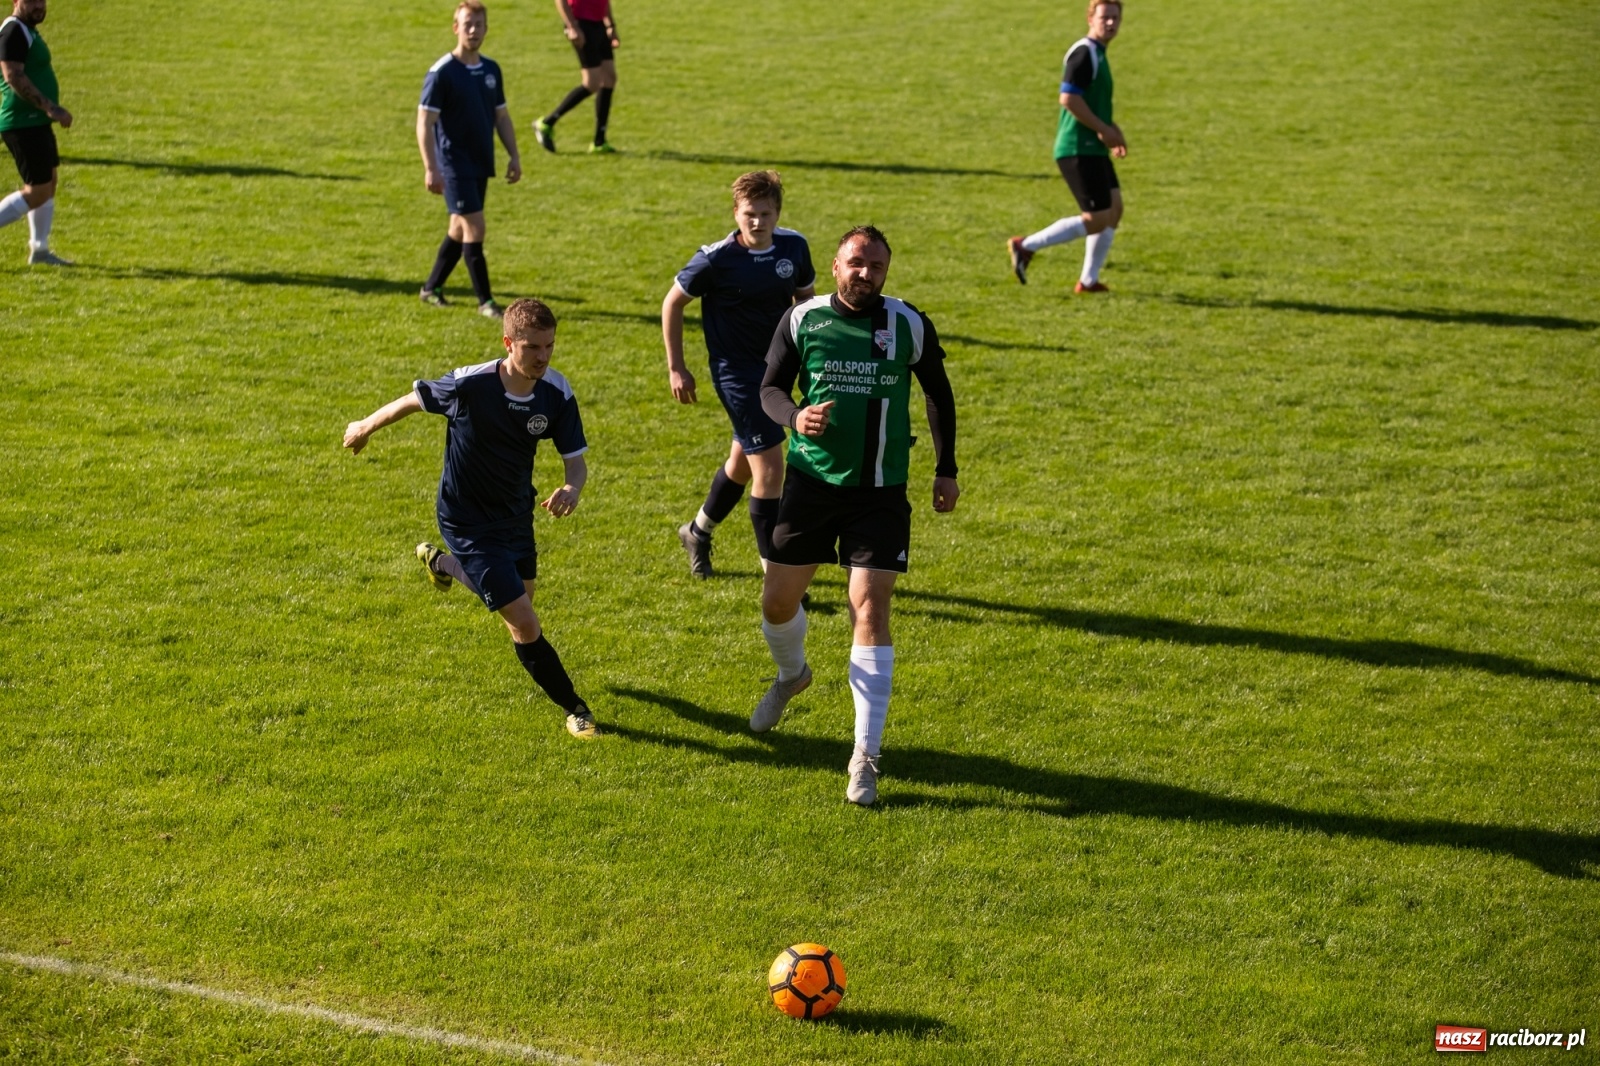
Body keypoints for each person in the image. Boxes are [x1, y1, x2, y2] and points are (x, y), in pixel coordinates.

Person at [752, 226, 960, 806]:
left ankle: (864, 757)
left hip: (881, 491)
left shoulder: (908, 323)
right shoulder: (804, 319)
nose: (864, 273)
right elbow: (768, 388)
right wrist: (795, 418)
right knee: (777, 603)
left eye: (875, 265)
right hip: (812, 484)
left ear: (886, 271)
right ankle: (792, 675)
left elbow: (938, 394)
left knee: (869, 605)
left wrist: (947, 469)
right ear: (837, 265)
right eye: (855, 263)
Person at [342, 298, 601, 739]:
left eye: (550, 347)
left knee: (524, 602)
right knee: (524, 621)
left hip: (517, 515)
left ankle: (440, 564)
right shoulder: (470, 385)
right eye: (533, 347)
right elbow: (413, 400)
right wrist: (365, 425)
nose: (543, 356)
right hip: (466, 521)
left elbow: (575, 461)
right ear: (508, 343)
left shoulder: (556, 393)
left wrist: (572, 487)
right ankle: (575, 708)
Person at [663, 170, 816, 578]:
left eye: (765, 214)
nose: (757, 222)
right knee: (770, 468)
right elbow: (672, 303)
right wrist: (677, 367)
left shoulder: (794, 247)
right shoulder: (715, 259)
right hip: (737, 375)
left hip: (779, 369)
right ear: (736, 213)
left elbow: (805, 300)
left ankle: (697, 531)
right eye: (749, 214)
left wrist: (814, 355)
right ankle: (777, 572)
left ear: (777, 213)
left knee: (743, 461)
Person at [1008, 0, 1125, 293]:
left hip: (1092, 146)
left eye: (1115, 18)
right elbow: (1069, 98)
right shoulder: (1085, 53)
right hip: (1077, 148)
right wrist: (1103, 130)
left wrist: (1113, 131)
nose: (1110, 23)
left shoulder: (1099, 53)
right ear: (1090, 18)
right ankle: (1026, 246)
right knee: (1097, 218)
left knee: (1114, 210)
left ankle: (1088, 281)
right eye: (1105, 17)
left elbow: (1093, 101)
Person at [417, 0, 522, 318]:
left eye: (479, 24)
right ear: (456, 28)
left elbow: (501, 116)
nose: (474, 30)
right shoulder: (442, 73)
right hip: (452, 164)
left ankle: (430, 288)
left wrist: (514, 155)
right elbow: (424, 122)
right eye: (467, 24)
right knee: (475, 227)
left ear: (486, 28)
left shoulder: (491, 69)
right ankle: (486, 301)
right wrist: (431, 167)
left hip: (480, 161)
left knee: (459, 229)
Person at [0, 0, 71, 266]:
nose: (38, 6)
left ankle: (40, 251)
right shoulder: (13, 31)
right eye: (30, 1)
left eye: (41, 0)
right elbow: (13, 76)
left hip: (35, 122)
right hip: (22, 123)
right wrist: (50, 107)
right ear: (15, 2)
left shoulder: (27, 30)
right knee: (38, 191)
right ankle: (39, 250)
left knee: (49, 183)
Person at [530, 0, 619, 154]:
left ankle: (599, 141)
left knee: (609, 78)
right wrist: (572, 26)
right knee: (592, 83)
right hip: (581, 24)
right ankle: (546, 123)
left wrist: (610, 25)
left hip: (599, 24)